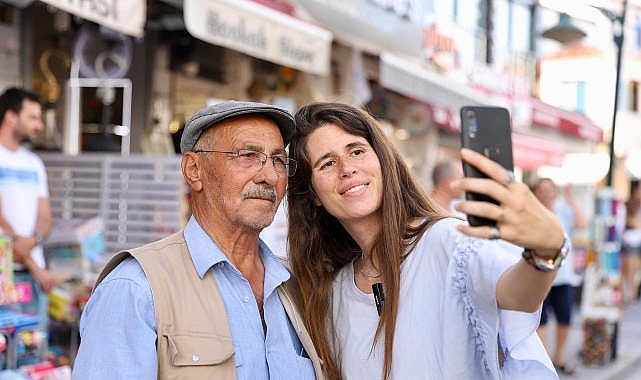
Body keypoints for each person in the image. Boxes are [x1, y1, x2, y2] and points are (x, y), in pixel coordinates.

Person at [287, 101, 568, 379]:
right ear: (312, 194)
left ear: (383, 161)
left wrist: (547, 249)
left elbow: (518, 295)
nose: (347, 168)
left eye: (357, 151)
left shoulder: (444, 241)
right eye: (327, 163)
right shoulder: (334, 292)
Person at [72, 101, 324, 379]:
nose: (269, 176)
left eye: (277, 160)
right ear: (194, 170)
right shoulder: (135, 289)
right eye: (248, 155)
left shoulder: (295, 286)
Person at [0, 87, 57, 333]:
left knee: (33, 354)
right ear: (11, 116)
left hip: (33, 277)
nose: (39, 125)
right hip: (8, 274)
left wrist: (34, 239)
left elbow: (45, 216)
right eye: (32, 117)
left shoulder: (34, 163)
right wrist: (36, 268)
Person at [533, 178, 587, 377]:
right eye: (542, 189)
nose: (546, 193)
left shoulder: (564, 211)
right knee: (541, 321)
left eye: (549, 189)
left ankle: (559, 358)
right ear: (537, 193)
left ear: (555, 192)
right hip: (539, 275)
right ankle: (543, 361)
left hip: (563, 276)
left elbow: (582, 223)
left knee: (565, 318)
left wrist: (571, 197)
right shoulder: (532, 213)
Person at [621, 180, 641, 303]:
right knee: (626, 268)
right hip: (629, 241)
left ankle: (631, 293)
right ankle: (627, 294)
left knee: (631, 268)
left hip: (635, 242)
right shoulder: (627, 206)